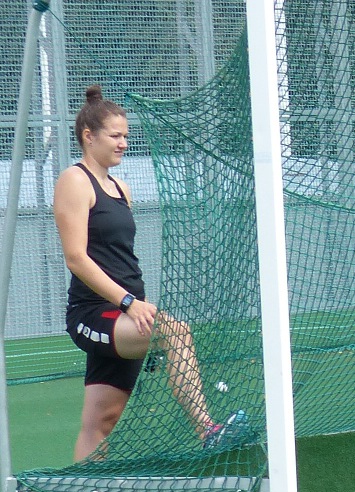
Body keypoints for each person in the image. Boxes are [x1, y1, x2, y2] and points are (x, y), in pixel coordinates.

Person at [56, 85, 245, 464]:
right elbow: (76, 258)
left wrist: (134, 306)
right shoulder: (74, 181)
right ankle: (208, 431)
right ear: (89, 136)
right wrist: (128, 303)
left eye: (126, 136)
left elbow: (118, 257)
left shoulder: (121, 188)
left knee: (100, 422)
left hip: (126, 313)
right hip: (94, 314)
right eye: (115, 136)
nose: (124, 143)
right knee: (176, 333)